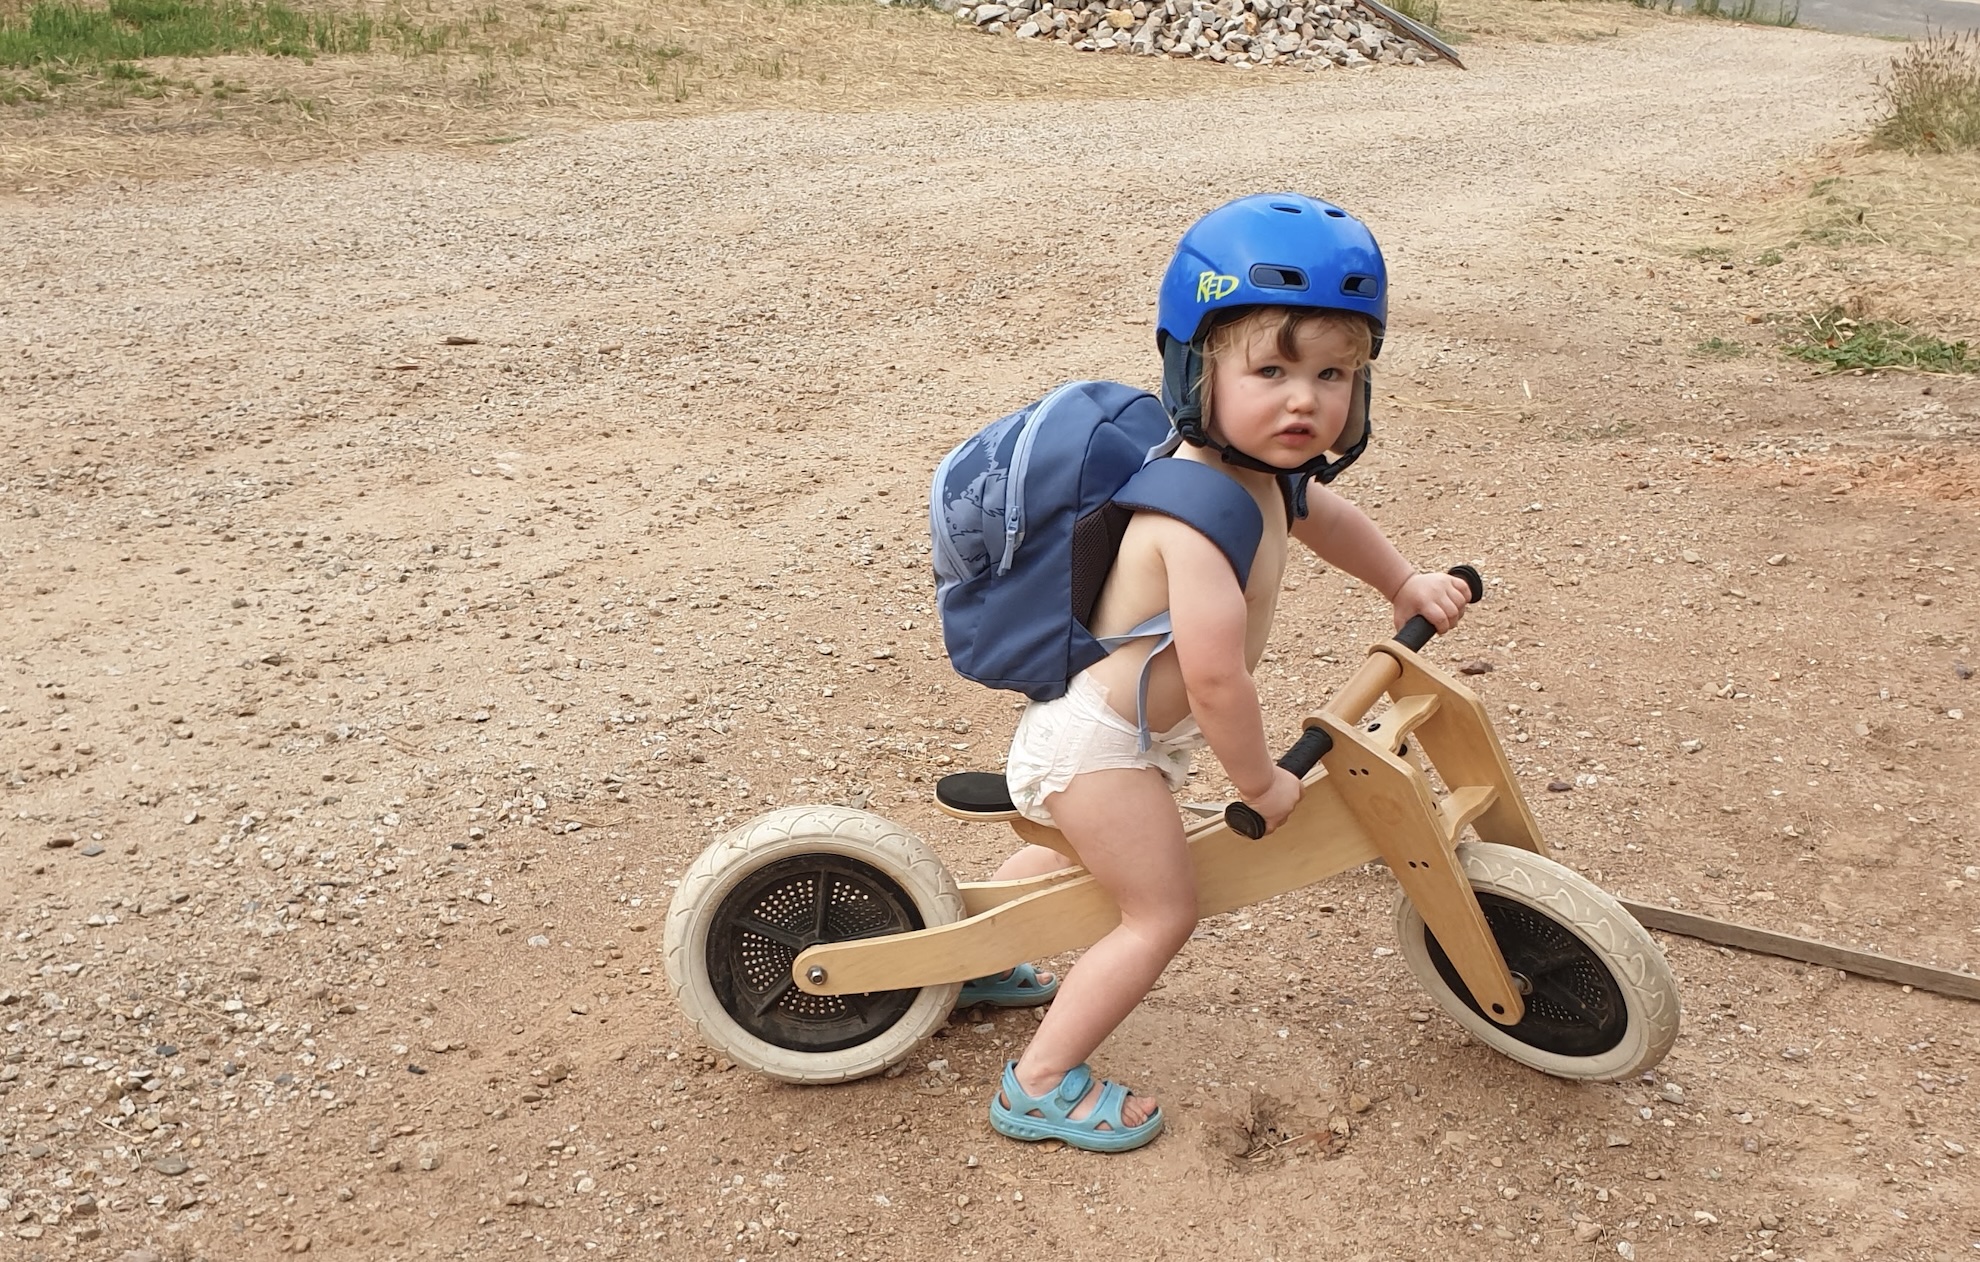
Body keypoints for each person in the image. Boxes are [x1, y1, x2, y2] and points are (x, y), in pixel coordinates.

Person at [973, 192, 1472, 1153]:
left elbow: (1330, 522)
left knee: (1083, 860)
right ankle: (1036, 1083)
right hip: (1101, 747)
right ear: (1197, 369)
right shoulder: (1188, 519)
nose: (1305, 399)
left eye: (1334, 373)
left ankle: (986, 956)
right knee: (1161, 910)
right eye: (1272, 369)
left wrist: (1403, 580)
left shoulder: (1269, 477)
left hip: (1126, 743)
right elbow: (1214, 683)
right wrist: (1261, 780)